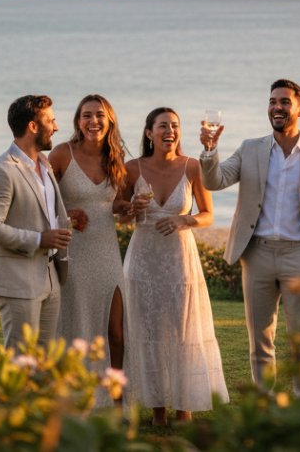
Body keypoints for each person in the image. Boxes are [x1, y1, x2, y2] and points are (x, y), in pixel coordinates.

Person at [199, 79, 300, 391]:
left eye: (284, 102)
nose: (277, 107)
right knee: (260, 340)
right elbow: (215, 181)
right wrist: (210, 150)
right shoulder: (250, 149)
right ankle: (264, 410)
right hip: (257, 254)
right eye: (272, 101)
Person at [116, 107, 228, 425]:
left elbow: (208, 214)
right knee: (145, 329)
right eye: (163, 125)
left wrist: (184, 219)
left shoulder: (192, 167)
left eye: (175, 126)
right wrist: (132, 209)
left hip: (180, 260)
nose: (170, 130)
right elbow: (122, 219)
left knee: (182, 330)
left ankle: (184, 407)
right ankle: (157, 410)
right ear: (149, 132)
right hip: (142, 260)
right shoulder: (131, 168)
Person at [0, 94, 73, 348]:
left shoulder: (45, 165)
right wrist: (40, 239)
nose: (56, 127)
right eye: (51, 120)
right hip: (17, 278)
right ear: (33, 126)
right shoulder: (2, 170)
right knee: (21, 362)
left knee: (44, 361)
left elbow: (42, 212)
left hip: (50, 275)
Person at [48, 95, 127, 401]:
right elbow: (42, 199)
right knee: (75, 326)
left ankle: (116, 397)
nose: (93, 121)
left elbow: (115, 205)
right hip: (73, 251)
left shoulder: (115, 157)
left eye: (99, 115)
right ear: (78, 121)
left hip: (107, 251)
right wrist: (64, 217)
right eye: (87, 116)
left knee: (116, 331)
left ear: (110, 121)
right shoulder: (61, 154)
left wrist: (128, 208)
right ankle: (73, 395)